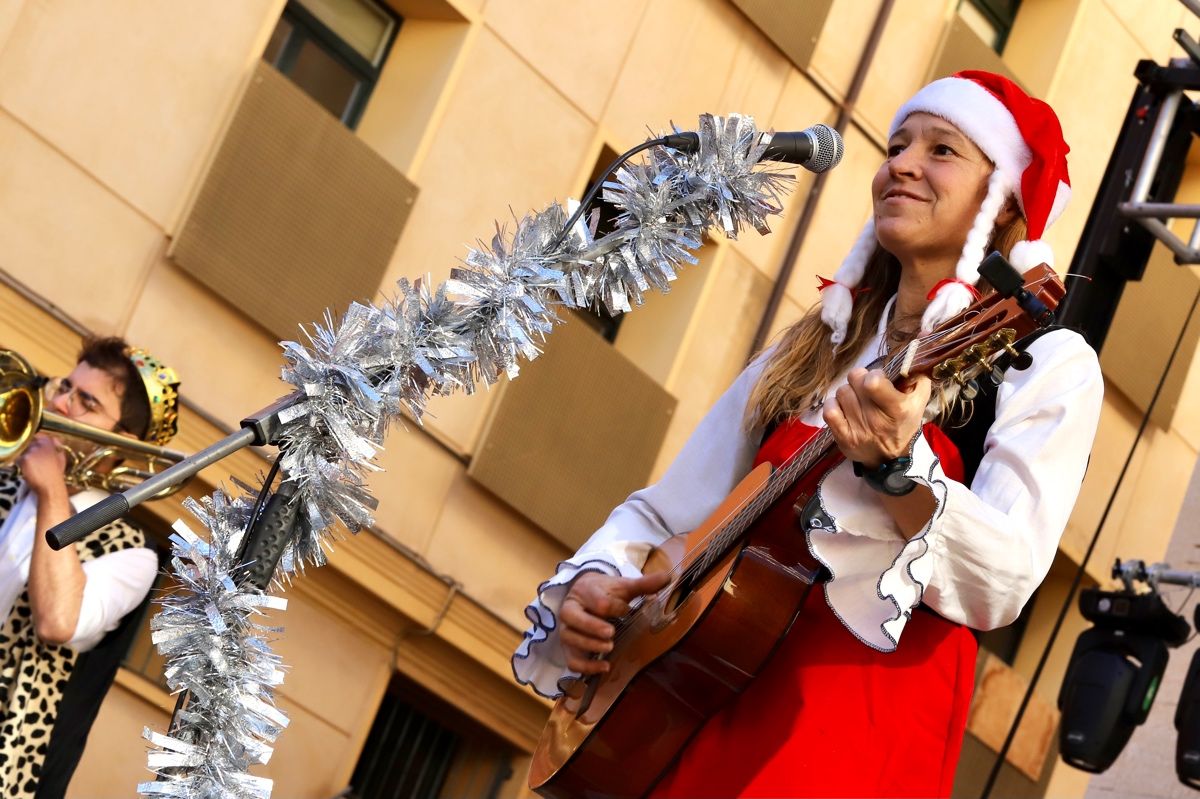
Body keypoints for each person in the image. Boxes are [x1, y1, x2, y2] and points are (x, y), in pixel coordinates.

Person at [512, 70, 1104, 798]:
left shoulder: (1042, 361)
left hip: (850, 741)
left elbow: (1005, 582)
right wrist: (599, 580)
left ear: (1006, 198)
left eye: (942, 149)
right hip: (698, 714)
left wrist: (900, 473)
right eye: (896, 145)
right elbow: (668, 516)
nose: (902, 164)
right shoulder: (814, 345)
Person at [0, 336, 180, 799]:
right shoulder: (6, 476)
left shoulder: (132, 555)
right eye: (66, 387)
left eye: (87, 402)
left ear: (123, 443)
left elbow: (58, 621)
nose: (60, 403)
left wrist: (52, 491)